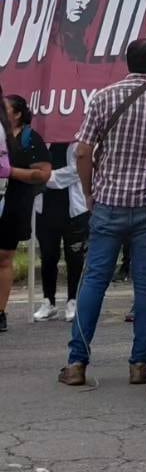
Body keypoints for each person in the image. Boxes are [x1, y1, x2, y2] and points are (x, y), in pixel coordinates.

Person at [62, 38, 146, 387]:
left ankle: (76, 363)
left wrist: (88, 192)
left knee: (94, 281)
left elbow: (83, 152)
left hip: (108, 202)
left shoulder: (103, 97)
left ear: (128, 62)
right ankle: (139, 364)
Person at [0, 96, 49, 332]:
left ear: (17, 114)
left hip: (13, 204)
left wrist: (10, 172)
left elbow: (43, 173)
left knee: (3, 257)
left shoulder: (29, 139)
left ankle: (0, 312)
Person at [33, 142, 88, 322]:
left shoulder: (78, 141)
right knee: (48, 256)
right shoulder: (41, 141)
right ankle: (48, 300)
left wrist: (46, 176)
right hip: (46, 207)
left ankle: (73, 300)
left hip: (74, 209)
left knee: (75, 257)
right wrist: (40, 175)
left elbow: (78, 169)